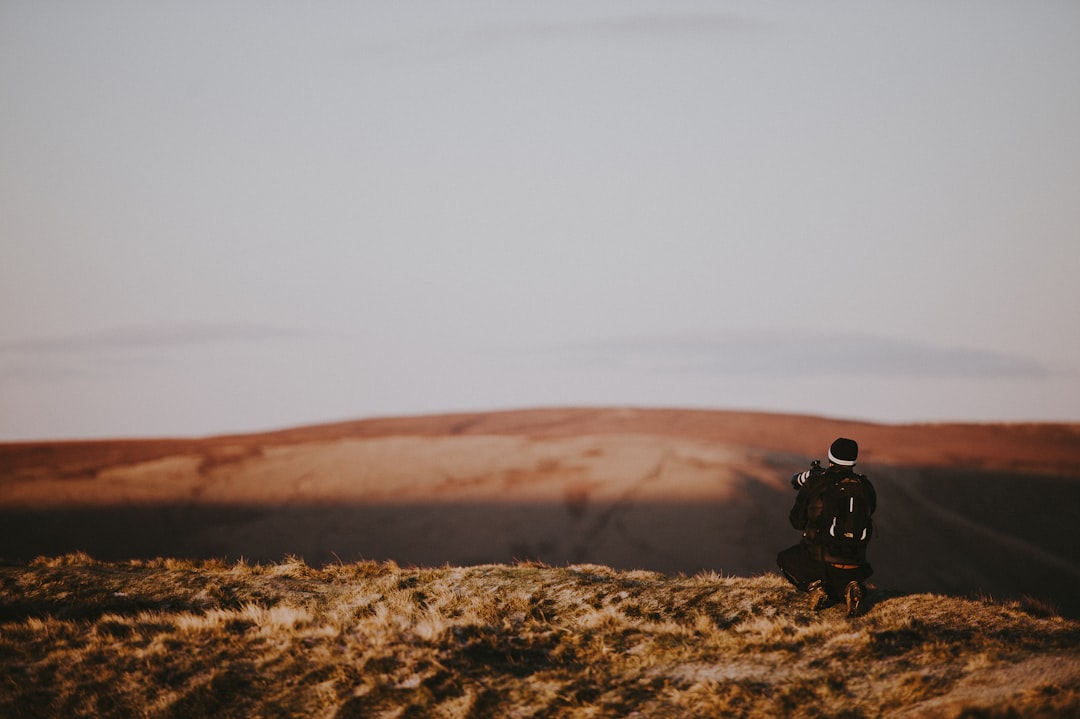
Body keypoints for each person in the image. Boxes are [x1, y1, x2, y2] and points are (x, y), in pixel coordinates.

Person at [777, 437, 876, 616]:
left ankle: (815, 588)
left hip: (819, 562)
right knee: (841, 579)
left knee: (785, 559)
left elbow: (796, 522)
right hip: (857, 565)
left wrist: (808, 488)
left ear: (830, 457)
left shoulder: (817, 483)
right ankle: (849, 587)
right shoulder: (865, 486)